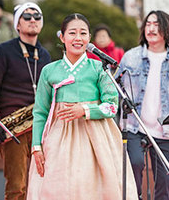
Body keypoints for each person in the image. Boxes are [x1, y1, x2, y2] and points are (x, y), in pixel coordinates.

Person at [28, 13, 137, 200]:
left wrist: (85, 110)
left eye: (83, 33)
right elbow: (40, 112)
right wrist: (36, 146)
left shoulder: (99, 68)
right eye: (72, 33)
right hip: (58, 136)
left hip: (97, 137)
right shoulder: (49, 70)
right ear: (62, 37)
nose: (78, 38)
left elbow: (112, 106)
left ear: (89, 38)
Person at [0, 2, 51, 200]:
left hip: (40, 125)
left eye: (37, 16)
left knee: (41, 184)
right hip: (13, 128)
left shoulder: (45, 55)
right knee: (17, 186)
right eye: (27, 17)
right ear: (17, 25)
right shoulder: (3, 51)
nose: (33, 20)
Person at [117, 10, 169, 200]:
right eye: (148, 24)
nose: (151, 28)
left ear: (166, 28)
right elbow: (114, 87)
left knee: (165, 182)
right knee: (135, 164)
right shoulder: (130, 57)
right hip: (134, 127)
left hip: (167, 130)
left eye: (156, 24)